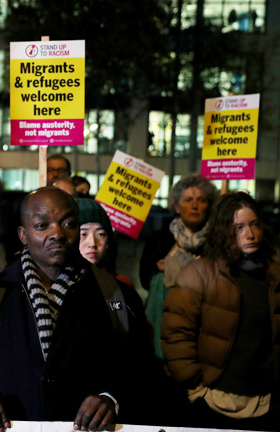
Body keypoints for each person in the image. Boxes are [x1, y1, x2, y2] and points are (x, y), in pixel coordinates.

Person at [0, 188, 151, 431]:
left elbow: (142, 372)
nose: (57, 234)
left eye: (68, 224)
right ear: (23, 235)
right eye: (42, 226)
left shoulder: (117, 296)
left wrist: (112, 399)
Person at [162, 192, 280, 430]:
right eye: (239, 228)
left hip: (265, 401)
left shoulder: (274, 275)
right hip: (214, 401)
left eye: (254, 224)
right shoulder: (199, 273)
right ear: (224, 231)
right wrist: (196, 388)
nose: (250, 234)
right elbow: (175, 335)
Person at [141, 175, 217, 359]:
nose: (194, 206)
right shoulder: (159, 239)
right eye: (188, 200)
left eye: (201, 200)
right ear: (177, 206)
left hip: (202, 326)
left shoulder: (216, 242)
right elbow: (145, 278)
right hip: (165, 322)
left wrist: (174, 268)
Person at [77, 198, 133, 287]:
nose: (93, 243)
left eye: (100, 234)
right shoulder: (55, 284)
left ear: (108, 243)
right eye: (83, 234)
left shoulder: (121, 286)